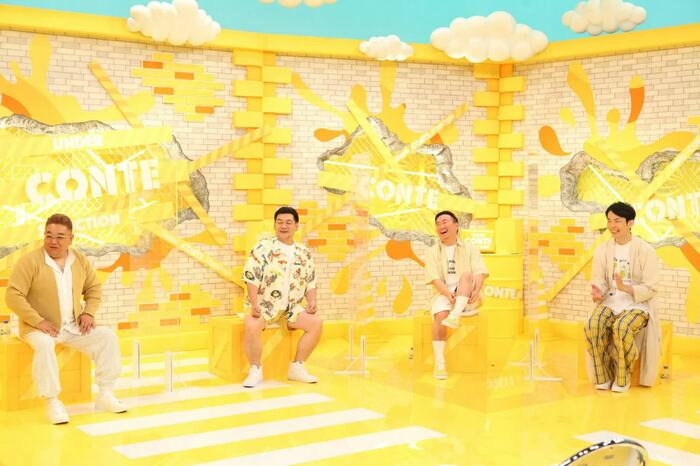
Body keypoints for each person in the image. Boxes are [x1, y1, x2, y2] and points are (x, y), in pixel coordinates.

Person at [5, 213, 126, 424]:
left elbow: (93, 288)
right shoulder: (30, 261)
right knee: (44, 345)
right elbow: (13, 295)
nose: (53, 241)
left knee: (108, 337)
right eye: (48, 235)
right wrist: (38, 321)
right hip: (38, 329)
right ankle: (52, 401)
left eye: (60, 237)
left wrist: (88, 313)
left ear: (71, 238)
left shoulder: (79, 260)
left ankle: (105, 393)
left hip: (73, 327)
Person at [241, 206, 322, 388]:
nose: (284, 226)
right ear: (274, 225)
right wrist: (254, 304)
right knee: (251, 326)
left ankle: (297, 367)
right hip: (265, 305)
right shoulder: (263, 247)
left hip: (291, 308)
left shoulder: (304, 253)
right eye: (280, 222)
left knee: (316, 323)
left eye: (288, 222)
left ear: (296, 226)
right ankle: (255, 370)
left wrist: (312, 301)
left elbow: (310, 281)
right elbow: (251, 277)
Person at [584, 202, 661, 392]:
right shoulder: (602, 250)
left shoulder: (646, 250)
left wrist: (627, 288)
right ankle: (603, 375)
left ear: (630, 223)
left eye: (617, 221)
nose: (612, 225)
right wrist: (598, 291)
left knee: (621, 326)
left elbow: (652, 287)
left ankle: (622, 376)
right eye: (609, 221)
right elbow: (599, 280)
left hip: (637, 304)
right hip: (610, 301)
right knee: (593, 325)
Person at [424, 210, 488, 379]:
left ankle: (455, 315)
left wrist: (476, 290)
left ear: (456, 225)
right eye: (437, 224)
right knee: (440, 317)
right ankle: (440, 363)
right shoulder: (432, 251)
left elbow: (479, 272)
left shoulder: (470, 248)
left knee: (466, 275)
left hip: (466, 294)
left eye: (444, 222)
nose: (441, 226)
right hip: (443, 294)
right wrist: (447, 294)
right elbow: (434, 278)